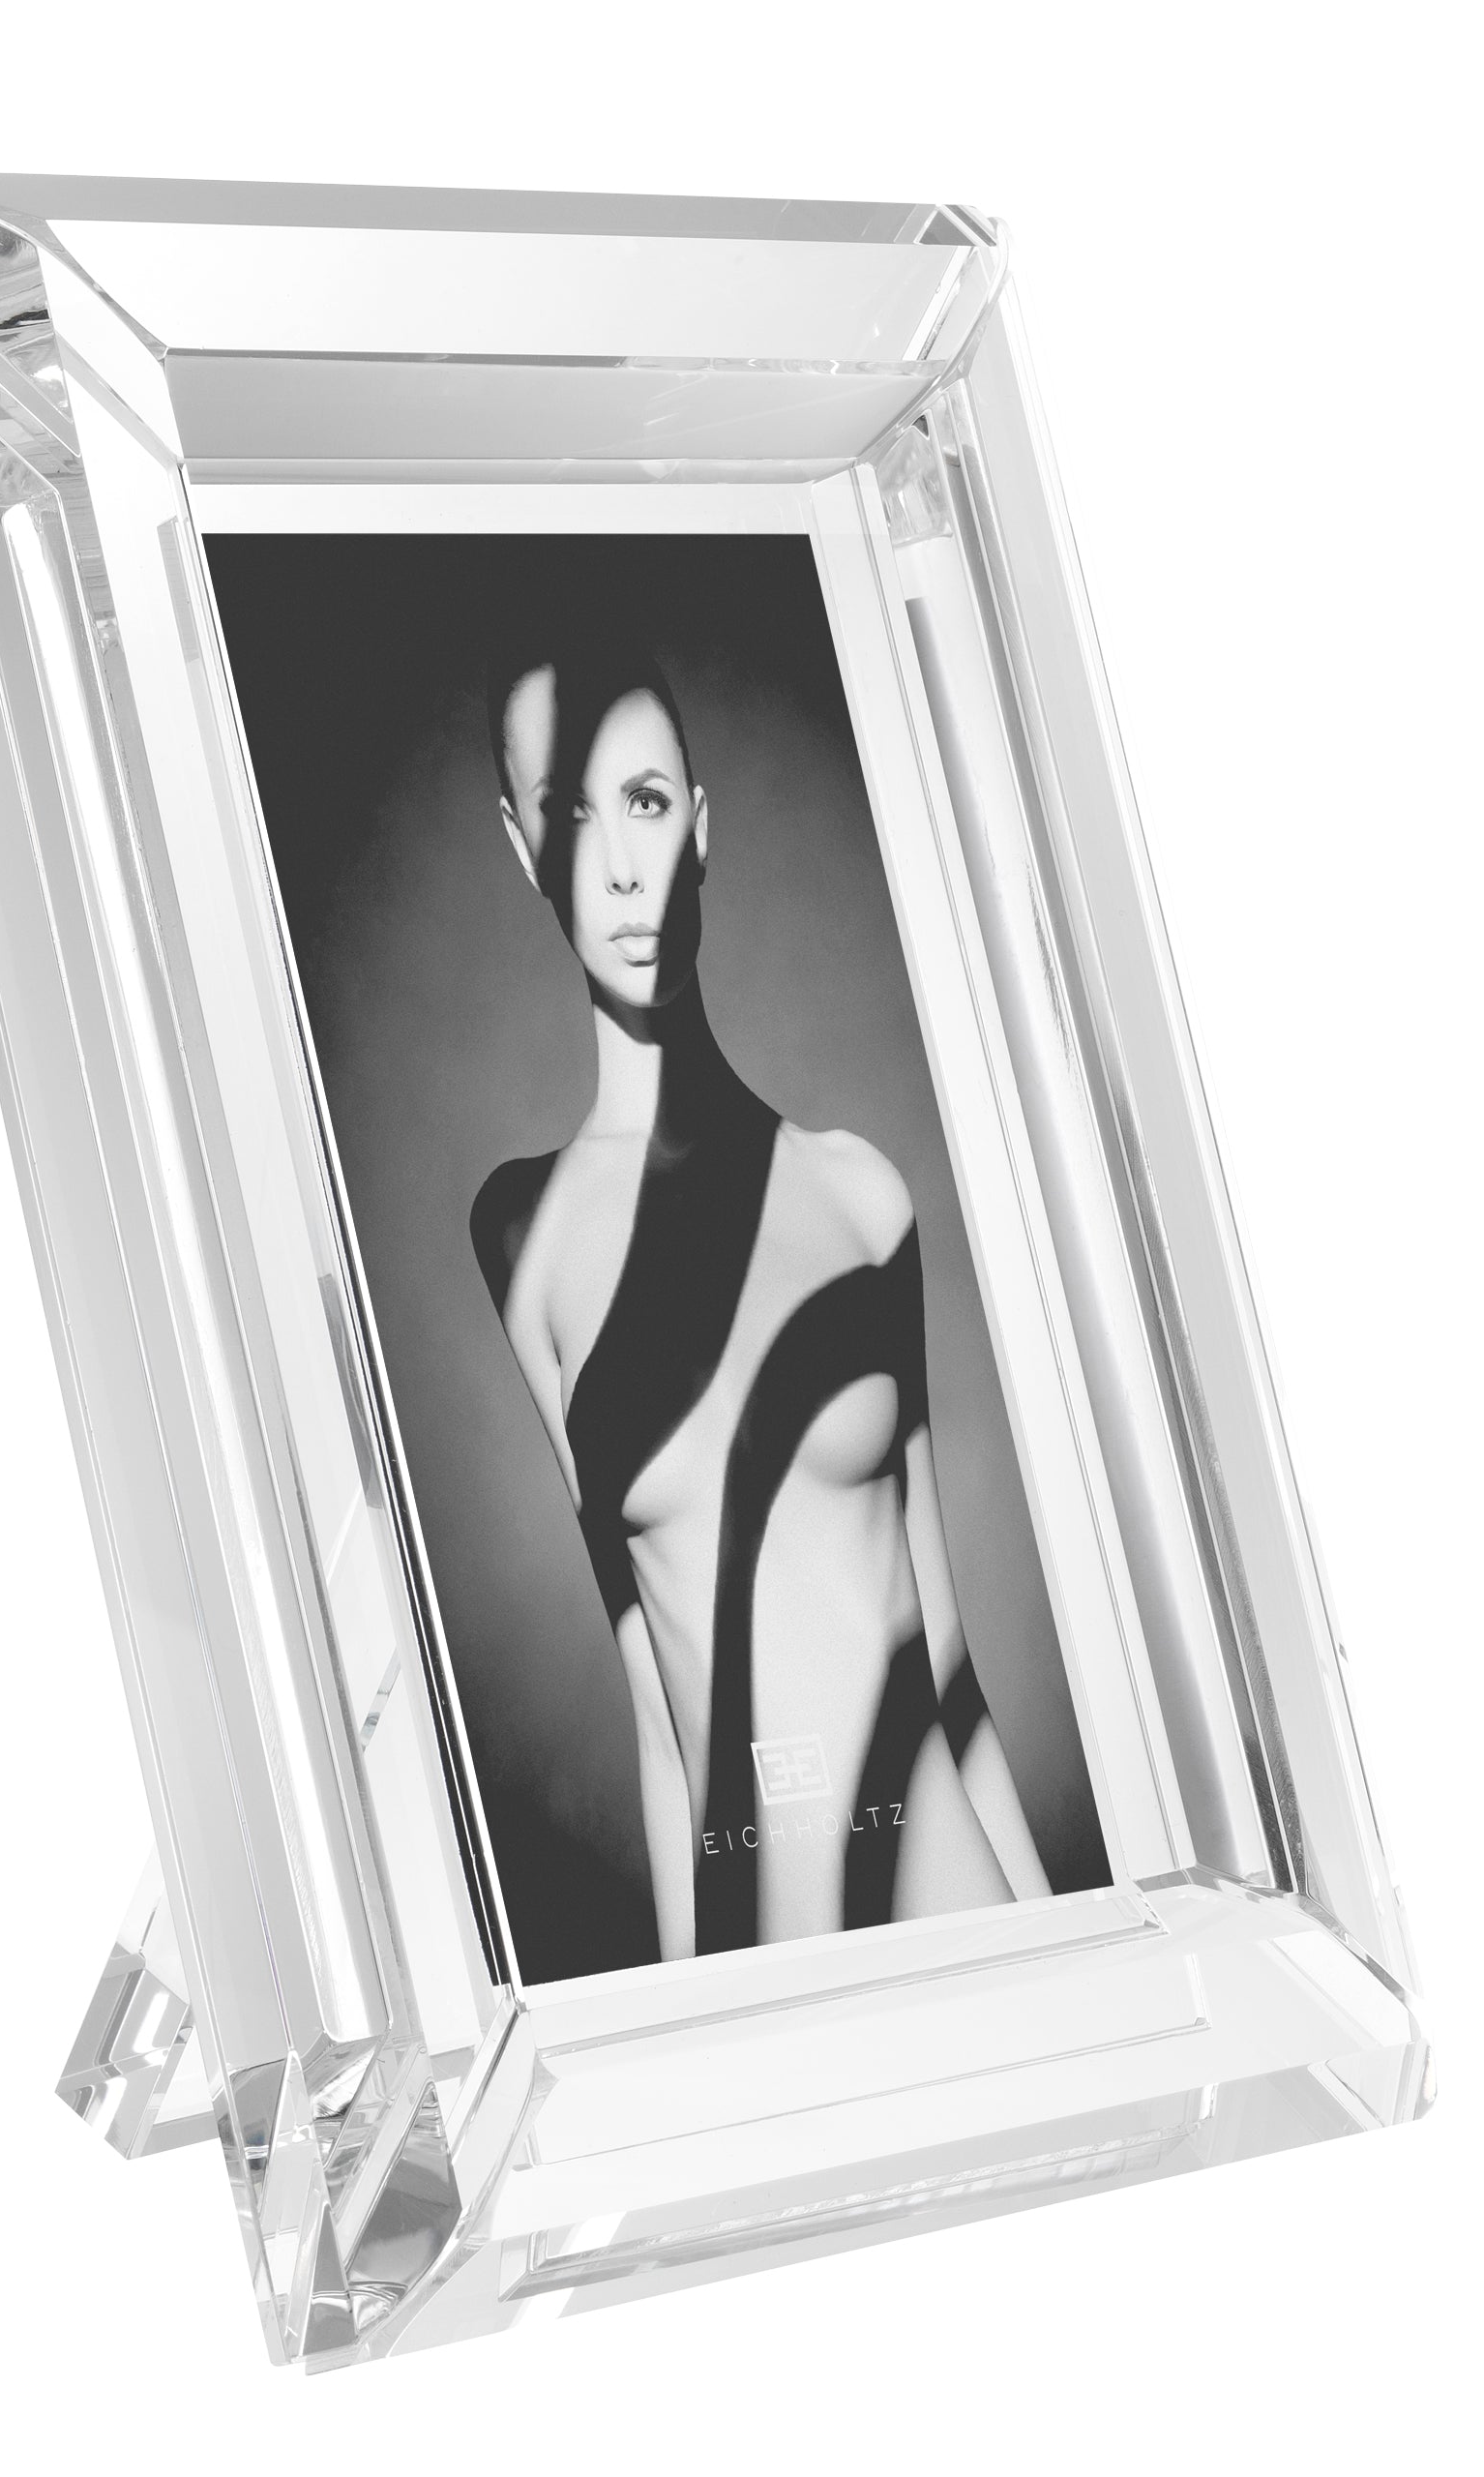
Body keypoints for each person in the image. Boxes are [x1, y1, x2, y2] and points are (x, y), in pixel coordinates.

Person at [468, 616, 1050, 1960]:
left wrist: (1082, 1958)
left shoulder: (859, 1196)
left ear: (701, 827)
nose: (623, 865)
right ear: (522, 847)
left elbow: (945, 1660)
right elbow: (659, 1711)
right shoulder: (526, 1239)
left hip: (967, 1930)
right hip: (771, 1974)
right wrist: (693, 2024)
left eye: (646, 800)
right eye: (570, 811)